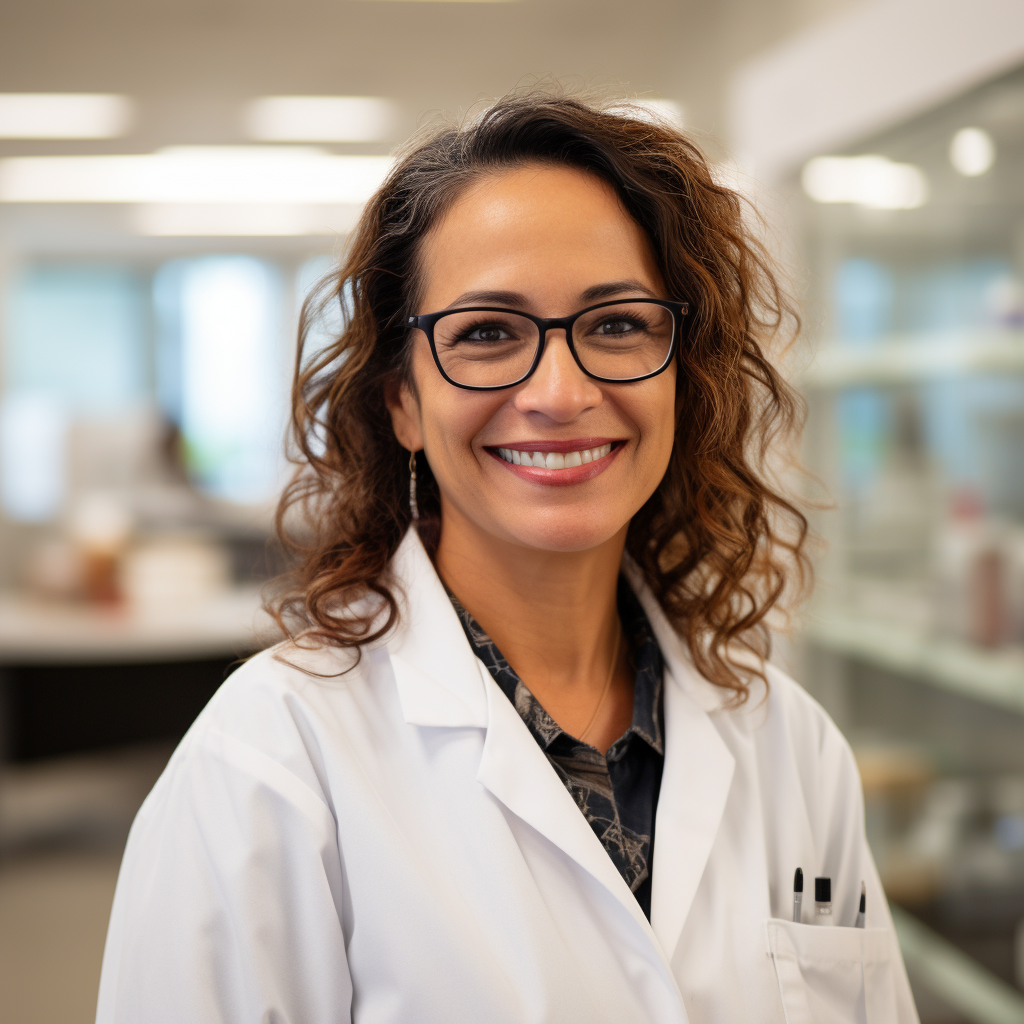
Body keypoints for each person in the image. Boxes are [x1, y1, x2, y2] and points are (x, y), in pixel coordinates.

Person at [96, 92, 919, 1023]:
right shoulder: (270, 762)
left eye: (617, 324)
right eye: (488, 334)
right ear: (401, 399)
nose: (560, 393)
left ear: (683, 375)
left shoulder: (790, 745)